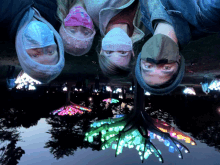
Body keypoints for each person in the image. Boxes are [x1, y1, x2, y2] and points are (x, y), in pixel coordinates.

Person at [135, 0, 220, 94]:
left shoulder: (145, 16)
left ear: (140, 57)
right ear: (179, 60)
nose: (156, 58)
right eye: (166, 68)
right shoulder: (208, 14)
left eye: (148, 66)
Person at [83, 0, 151, 80]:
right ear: (132, 52)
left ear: (101, 50)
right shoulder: (147, 25)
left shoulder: (94, 8)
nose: (116, 45)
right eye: (122, 52)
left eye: (109, 52)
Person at [0, 0, 65, 83]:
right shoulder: (56, 14)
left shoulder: (3, 14)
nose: (41, 46)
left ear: (22, 53)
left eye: (35, 55)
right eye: (50, 51)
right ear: (58, 46)